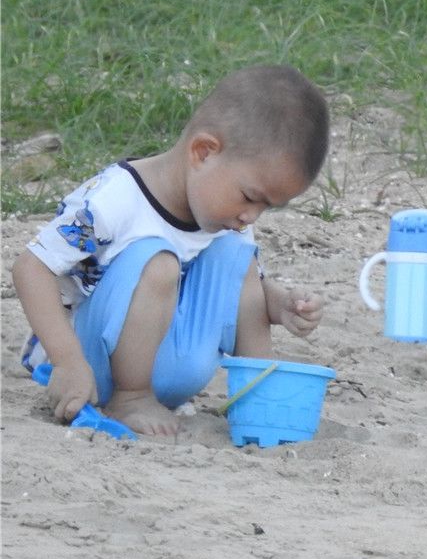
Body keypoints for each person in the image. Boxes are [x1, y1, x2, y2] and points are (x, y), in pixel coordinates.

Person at [12, 64, 331, 437]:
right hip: (92, 365)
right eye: (250, 198)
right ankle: (130, 398)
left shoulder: (227, 219)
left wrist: (283, 305)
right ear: (204, 152)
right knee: (158, 260)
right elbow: (31, 267)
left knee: (236, 256)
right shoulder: (116, 200)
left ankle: (255, 395)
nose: (250, 216)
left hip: (171, 362)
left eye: (266, 208)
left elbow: (242, 292)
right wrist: (67, 361)